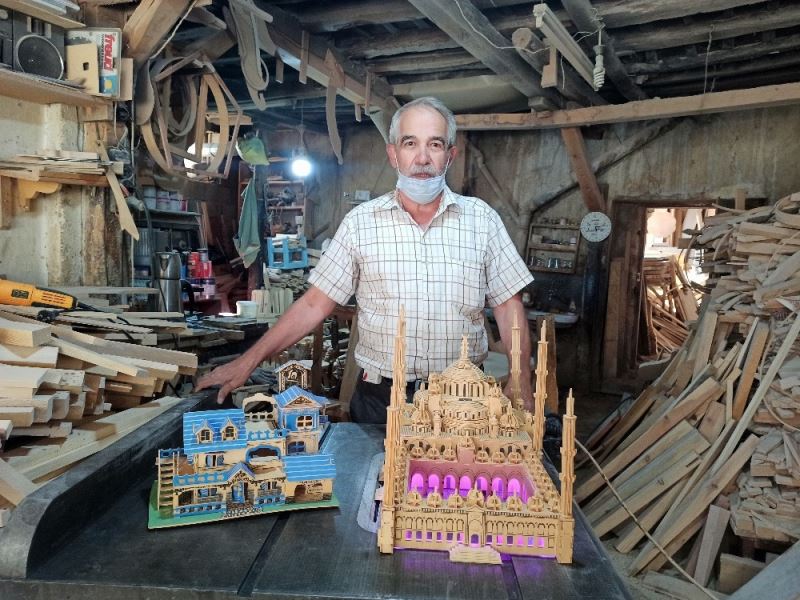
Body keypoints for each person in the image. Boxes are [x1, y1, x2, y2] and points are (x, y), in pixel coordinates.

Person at [197, 96, 534, 422]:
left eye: (435, 144)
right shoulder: (361, 223)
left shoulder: (482, 220)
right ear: (393, 154)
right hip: (380, 401)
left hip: (463, 401)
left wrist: (521, 384)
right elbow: (315, 304)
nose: (422, 158)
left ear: (450, 155)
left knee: (454, 481)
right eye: (409, 143)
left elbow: (508, 304)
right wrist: (248, 361)